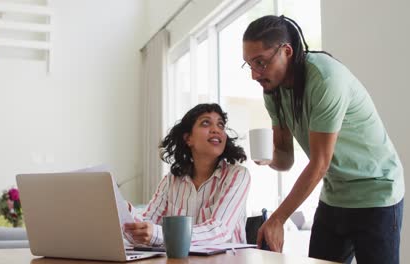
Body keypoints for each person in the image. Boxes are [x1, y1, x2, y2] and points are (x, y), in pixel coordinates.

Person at [242, 15, 404, 264]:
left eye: (260, 63)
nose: (254, 74)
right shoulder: (272, 92)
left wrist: (278, 218)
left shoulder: (326, 79)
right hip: (335, 194)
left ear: (286, 51)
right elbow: (285, 160)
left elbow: (320, 163)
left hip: (376, 191)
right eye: (249, 64)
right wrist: (267, 157)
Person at [124, 103, 251, 246]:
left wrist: (160, 234)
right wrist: (123, 209)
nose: (216, 129)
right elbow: (146, 226)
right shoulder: (171, 181)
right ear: (188, 138)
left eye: (221, 125)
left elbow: (219, 231)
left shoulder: (237, 175)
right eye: (206, 123)